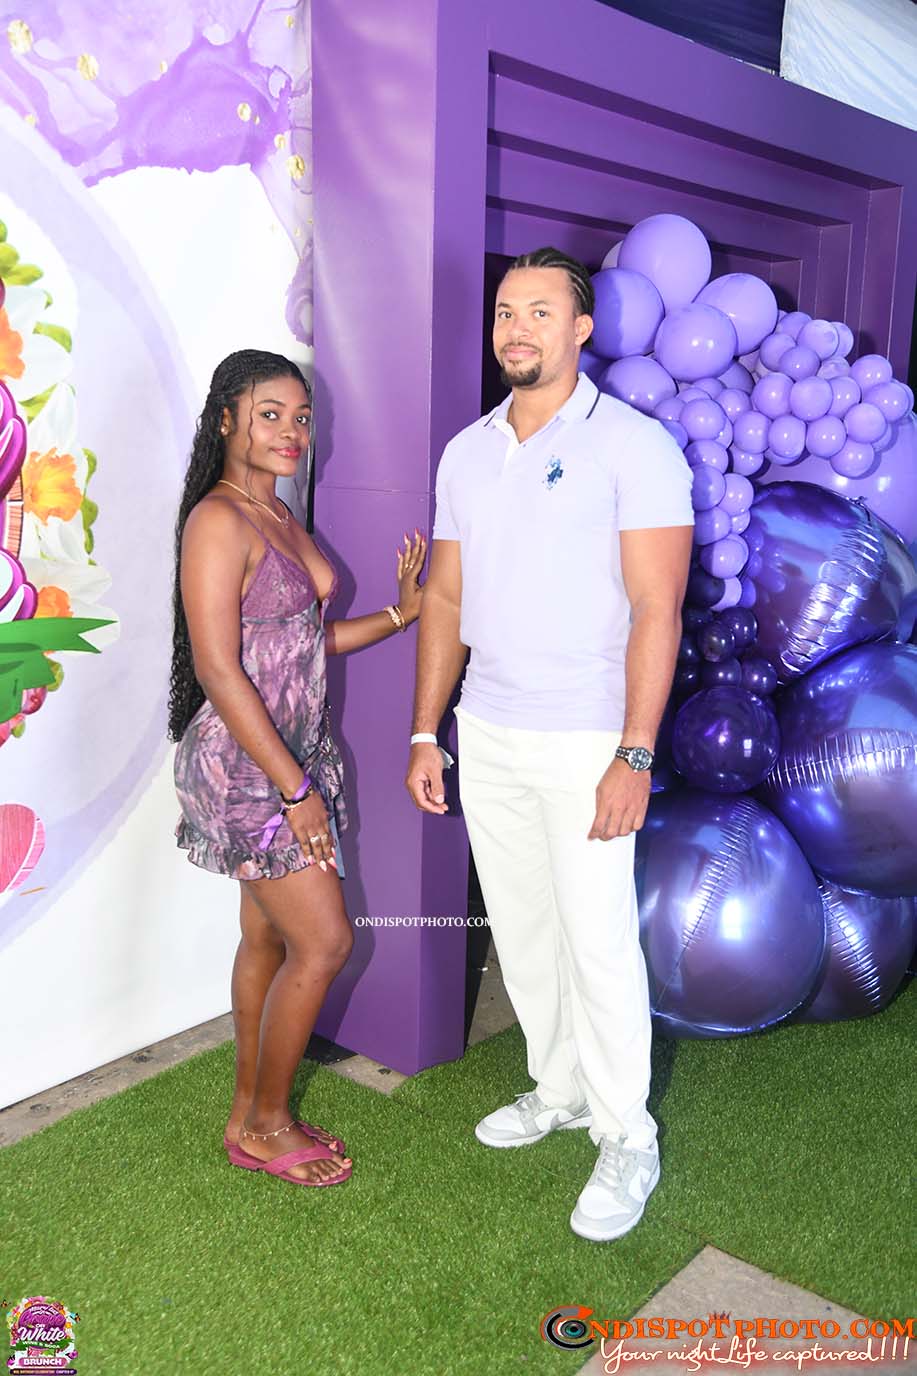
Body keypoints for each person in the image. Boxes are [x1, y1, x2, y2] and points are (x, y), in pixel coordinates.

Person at [405, 248, 693, 1240]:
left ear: (581, 328)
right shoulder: (466, 452)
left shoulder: (635, 447)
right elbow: (445, 598)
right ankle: (559, 1088)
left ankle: (626, 1134)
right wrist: (425, 729)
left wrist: (634, 752)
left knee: (597, 942)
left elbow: (656, 608)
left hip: (586, 738)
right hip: (486, 728)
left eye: (539, 310)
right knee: (524, 934)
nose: (516, 328)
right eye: (504, 311)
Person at [169, 349, 426, 1188]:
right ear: (226, 421)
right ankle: (268, 1125)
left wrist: (401, 614)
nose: (292, 431)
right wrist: (296, 790)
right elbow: (219, 669)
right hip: (250, 771)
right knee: (325, 941)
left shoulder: (276, 511)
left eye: (302, 416)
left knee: (267, 935)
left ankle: (248, 1113)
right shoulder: (218, 521)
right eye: (271, 414)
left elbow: (304, 643)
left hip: (289, 758)